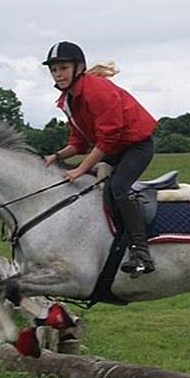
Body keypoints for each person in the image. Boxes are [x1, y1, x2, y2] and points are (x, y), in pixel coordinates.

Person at [42, 41, 157, 276]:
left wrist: (81, 169)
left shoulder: (97, 90)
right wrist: (55, 157)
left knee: (118, 188)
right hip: (113, 150)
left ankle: (141, 252)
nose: (57, 74)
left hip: (136, 147)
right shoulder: (69, 100)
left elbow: (109, 138)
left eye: (62, 68)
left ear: (79, 67)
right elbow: (78, 143)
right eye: (53, 69)